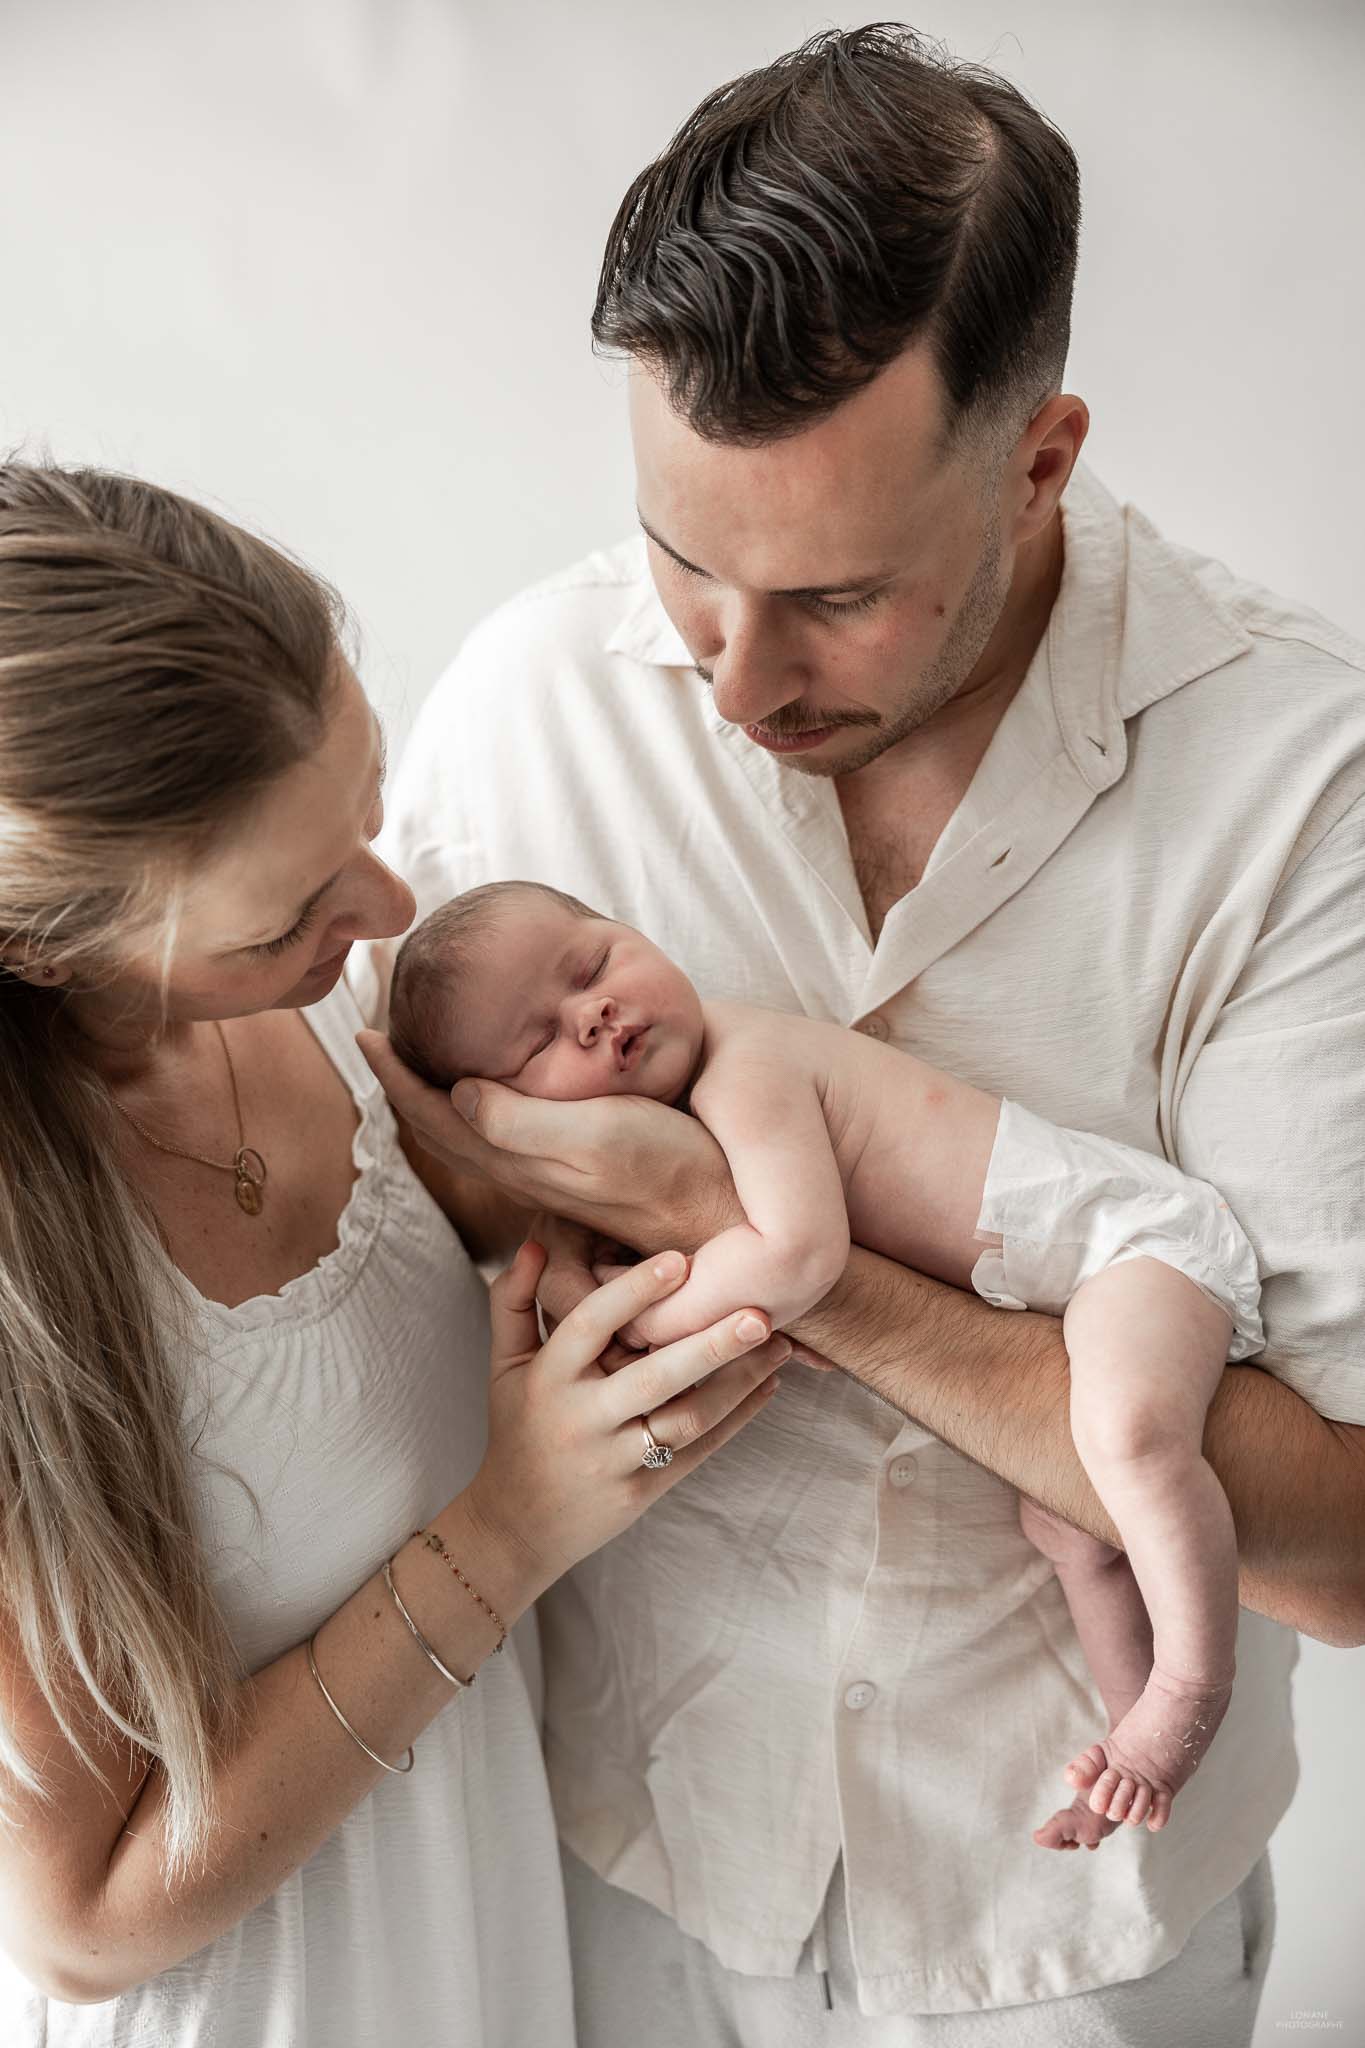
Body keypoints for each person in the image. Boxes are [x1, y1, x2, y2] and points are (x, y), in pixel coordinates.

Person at [355, 22, 1365, 2045]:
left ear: (1041, 456)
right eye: (682, 561)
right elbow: (415, 1215)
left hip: (1063, 1935)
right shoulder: (525, 701)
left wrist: (751, 1236)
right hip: (602, 1863)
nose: (733, 676)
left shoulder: (1298, 784)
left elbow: (1341, 1545)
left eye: (834, 596)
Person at [0, 461, 788, 2048]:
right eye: (285, 912)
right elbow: (75, 1930)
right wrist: (512, 1526)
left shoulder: (359, 1041)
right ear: (46, 944)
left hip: (490, 1962)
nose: (389, 900)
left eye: (363, 809)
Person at [388, 874, 1266, 1849]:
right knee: (1070, 1527)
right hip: (1069, 1298)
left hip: (1134, 1247)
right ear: (514, 1112)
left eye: (591, 964)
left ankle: (1189, 1689)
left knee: (1130, 1441)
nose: (592, 1014)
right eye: (540, 1041)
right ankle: (1125, 1740)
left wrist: (638, 1318)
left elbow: (798, 1257)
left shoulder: (743, 1065)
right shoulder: (686, 1116)